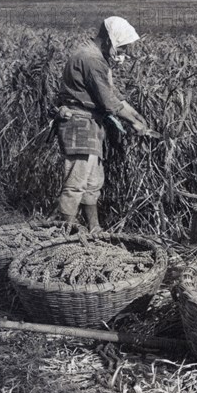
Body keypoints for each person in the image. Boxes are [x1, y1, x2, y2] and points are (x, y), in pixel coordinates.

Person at [52, 16, 156, 232]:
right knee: (75, 182)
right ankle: (64, 235)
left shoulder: (95, 56)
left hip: (90, 124)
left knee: (92, 181)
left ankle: (94, 229)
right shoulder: (92, 60)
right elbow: (108, 103)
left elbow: (112, 95)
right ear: (110, 40)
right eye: (122, 47)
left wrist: (137, 116)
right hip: (79, 123)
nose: (123, 53)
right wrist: (134, 124)